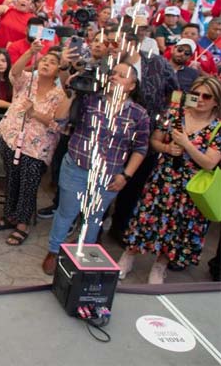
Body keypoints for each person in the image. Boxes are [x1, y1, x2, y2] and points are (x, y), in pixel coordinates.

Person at [42, 61, 151, 276]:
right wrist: (73, 93)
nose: (113, 77)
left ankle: (82, 256)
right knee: (66, 213)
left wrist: (126, 176)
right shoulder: (89, 99)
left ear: (132, 85)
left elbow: (140, 148)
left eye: (121, 75)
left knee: (93, 218)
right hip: (76, 168)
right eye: (112, 73)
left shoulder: (139, 114)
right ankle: (54, 251)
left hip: (109, 176)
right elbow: (60, 118)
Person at [116, 76, 221, 283]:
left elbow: (210, 163)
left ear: (216, 101)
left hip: (191, 189)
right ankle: (127, 257)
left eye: (206, 96)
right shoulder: (174, 114)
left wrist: (186, 144)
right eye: (195, 94)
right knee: (144, 219)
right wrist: (167, 148)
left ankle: (159, 267)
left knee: (177, 229)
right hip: (163, 180)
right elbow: (154, 141)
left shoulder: (217, 128)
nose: (200, 99)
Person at [0, 44, 70, 246]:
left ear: (58, 70)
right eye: (44, 60)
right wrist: (31, 52)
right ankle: (10, 216)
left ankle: (22, 224)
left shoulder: (60, 95)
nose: (46, 64)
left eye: (52, 63)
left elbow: (58, 125)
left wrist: (35, 114)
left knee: (28, 186)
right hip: (12, 139)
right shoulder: (28, 80)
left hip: (37, 148)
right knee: (11, 181)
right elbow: (14, 71)